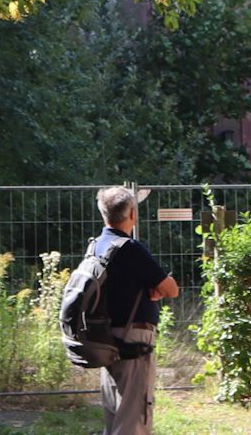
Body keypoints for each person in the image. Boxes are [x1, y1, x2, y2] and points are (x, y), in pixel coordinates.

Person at [91, 185, 179, 434]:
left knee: (115, 414)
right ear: (132, 215)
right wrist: (158, 288)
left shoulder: (96, 247)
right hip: (133, 340)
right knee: (134, 417)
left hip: (105, 339)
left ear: (103, 214)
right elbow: (171, 289)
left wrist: (147, 288)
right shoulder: (130, 249)